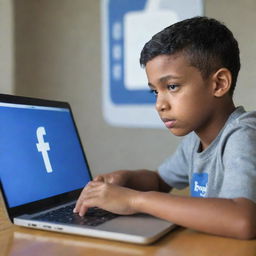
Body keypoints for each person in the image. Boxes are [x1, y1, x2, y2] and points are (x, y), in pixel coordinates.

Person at [74, 16, 256, 239]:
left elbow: (242, 221)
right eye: (155, 91)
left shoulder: (243, 135)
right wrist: (126, 180)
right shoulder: (195, 140)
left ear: (218, 84)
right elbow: (160, 181)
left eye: (172, 86)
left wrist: (135, 201)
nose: (160, 104)